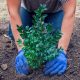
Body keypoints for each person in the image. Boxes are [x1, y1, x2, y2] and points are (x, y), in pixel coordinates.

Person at [7, 0, 76, 76]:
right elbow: (13, 12)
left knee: (56, 36)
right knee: (14, 33)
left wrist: (62, 51)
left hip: (55, 11)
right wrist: (22, 48)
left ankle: (43, 28)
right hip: (28, 10)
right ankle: (36, 28)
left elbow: (70, 13)